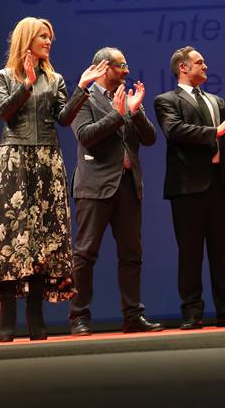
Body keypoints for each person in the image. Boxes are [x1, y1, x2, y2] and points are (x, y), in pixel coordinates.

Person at [0, 17, 106, 342]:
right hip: (14, 159)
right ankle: (7, 318)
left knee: (43, 237)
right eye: (43, 36)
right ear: (27, 39)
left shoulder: (55, 78)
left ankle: (36, 316)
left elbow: (63, 118)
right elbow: (5, 112)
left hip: (46, 160)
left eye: (50, 37)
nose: (48, 41)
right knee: (10, 237)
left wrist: (81, 88)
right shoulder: (3, 76)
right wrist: (27, 83)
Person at [153, 46, 225, 329]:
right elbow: (175, 132)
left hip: (220, 186)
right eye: (199, 62)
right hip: (187, 188)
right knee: (190, 253)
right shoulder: (166, 100)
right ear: (183, 68)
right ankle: (192, 313)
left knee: (224, 252)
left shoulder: (215, 100)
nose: (205, 66)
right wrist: (216, 131)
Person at [68, 47, 163, 336]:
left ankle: (133, 316)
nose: (126, 71)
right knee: (85, 254)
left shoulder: (127, 94)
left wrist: (134, 113)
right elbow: (86, 136)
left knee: (132, 254)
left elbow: (149, 139)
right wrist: (119, 115)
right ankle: (79, 318)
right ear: (104, 67)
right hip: (94, 186)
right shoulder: (84, 97)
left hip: (127, 184)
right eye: (121, 66)